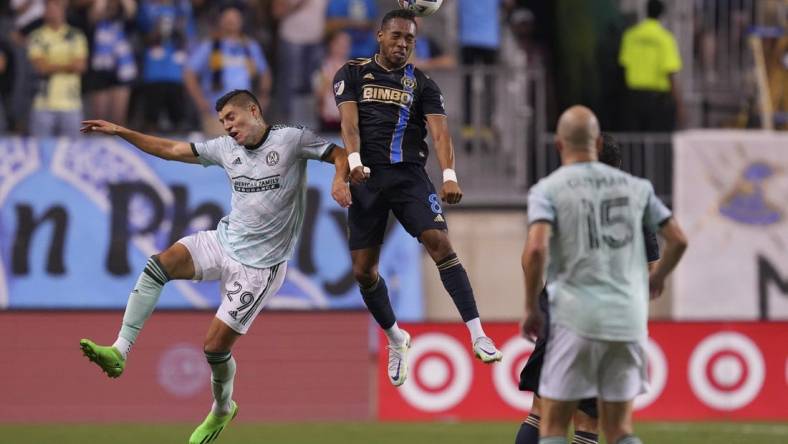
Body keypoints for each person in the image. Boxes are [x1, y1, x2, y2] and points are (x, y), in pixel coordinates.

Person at [78, 89, 352, 444]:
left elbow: (341, 153)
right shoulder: (225, 150)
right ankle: (119, 350)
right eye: (222, 122)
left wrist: (338, 178)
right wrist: (122, 131)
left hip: (261, 267)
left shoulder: (291, 139)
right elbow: (171, 150)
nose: (227, 127)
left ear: (253, 111)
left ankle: (222, 409)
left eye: (231, 119)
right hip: (224, 241)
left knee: (213, 349)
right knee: (161, 263)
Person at [333, 9, 503, 388]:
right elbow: (349, 124)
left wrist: (449, 175)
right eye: (396, 36)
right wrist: (355, 164)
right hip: (367, 177)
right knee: (363, 271)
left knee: (440, 243)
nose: (403, 44)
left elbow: (441, 134)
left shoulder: (423, 83)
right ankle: (396, 337)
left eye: (410, 39)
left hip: (409, 176)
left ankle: (478, 333)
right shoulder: (353, 73)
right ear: (380, 36)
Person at [520, 106, 687, 444]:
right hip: (623, 315)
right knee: (612, 428)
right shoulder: (638, 191)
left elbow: (534, 253)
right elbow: (678, 241)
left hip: (569, 310)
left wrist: (530, 306)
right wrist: (656, 280)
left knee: (545, 417)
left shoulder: (551, 189)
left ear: (559, 144)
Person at [184, 4, 271, 136]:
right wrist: (200, 101)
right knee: (224, 145)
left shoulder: (250, 47)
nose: (231, 21)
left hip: (246, 113)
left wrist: (263, 97)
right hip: (217, 113)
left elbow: (265, 73)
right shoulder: (210, 46)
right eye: (227, 18)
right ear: (220, 21)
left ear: (241, 21)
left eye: (234, 18)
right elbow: (189, 73)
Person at [619, 0, 684, 131]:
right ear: (661, 15)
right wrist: (679, 104)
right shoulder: (665, 39)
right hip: (657, 100)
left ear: (646, 11)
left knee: (636, 144)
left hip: (634, 97)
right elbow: (670, 72)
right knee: (657, 144)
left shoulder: (630, 35)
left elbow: (624, 65)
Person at [27, 0, 88, 138]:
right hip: (43, 103)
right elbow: (41, 68)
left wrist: (52, 63)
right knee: (40, 151)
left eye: (55, 8)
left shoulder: (76, 35)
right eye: (48, 8)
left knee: (72, 151)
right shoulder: (37, 36)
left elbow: (80, 66)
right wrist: (69, 64)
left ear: (63, 10)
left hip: (71, 104)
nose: (51, 12)